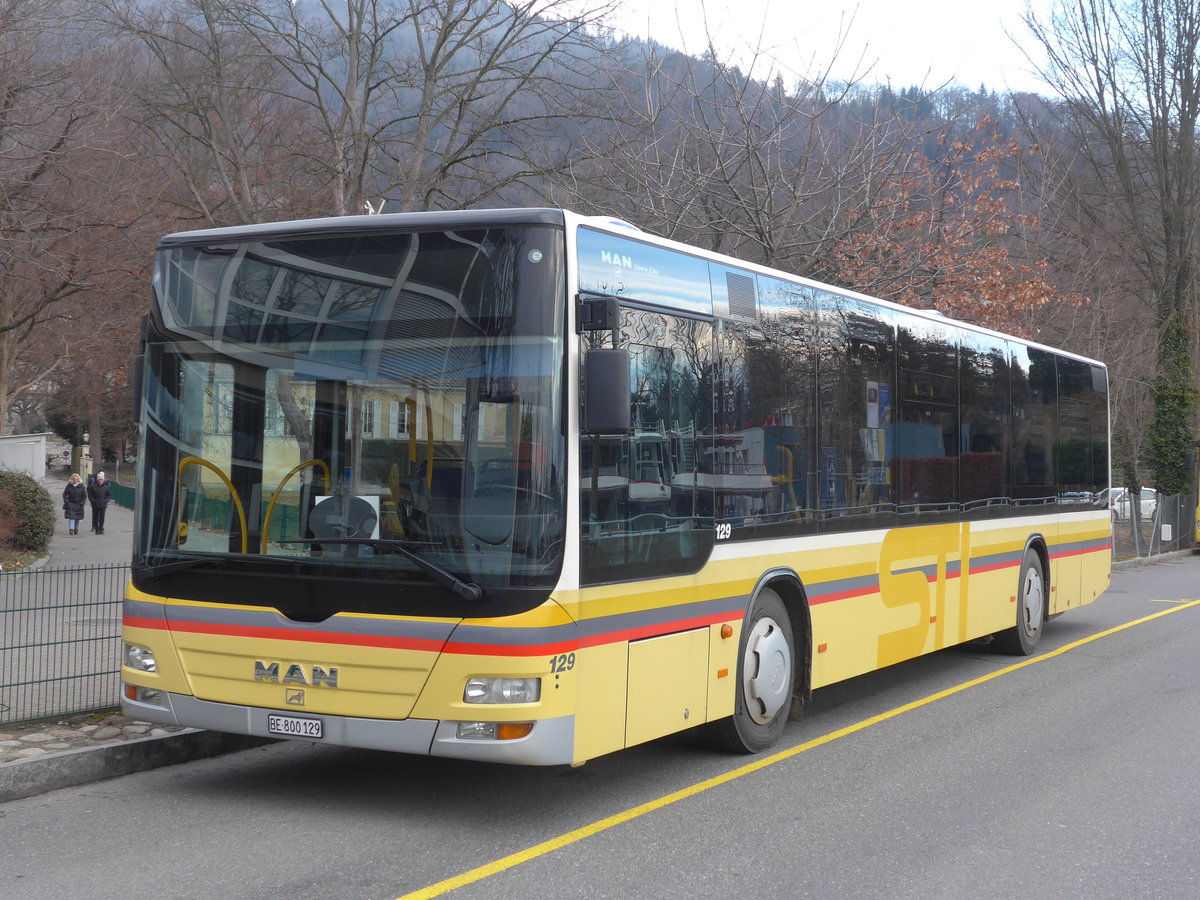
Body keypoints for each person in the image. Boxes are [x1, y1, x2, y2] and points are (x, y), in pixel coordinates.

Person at [88, 470, 112, 535]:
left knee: (102, 517)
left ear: (103, 480)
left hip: (103, 504)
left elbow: (109, 495)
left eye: (102, 480)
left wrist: (106, 500)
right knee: (95, 517)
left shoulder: (106, 487)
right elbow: (90, 494)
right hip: (95, 503)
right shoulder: (93, 486)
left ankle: (101, 528)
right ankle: (96, 529)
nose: (100, 481)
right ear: (97, 480)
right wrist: (92, 500)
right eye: (99, 480)